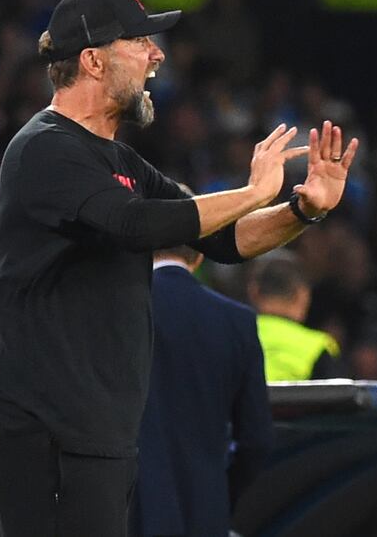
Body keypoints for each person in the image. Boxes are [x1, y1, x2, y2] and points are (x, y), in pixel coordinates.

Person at [0, 0, 358, 537]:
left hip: (103, 427)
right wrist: (253, 192)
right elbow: (134, 224)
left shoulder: (121, 160)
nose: (157, 55)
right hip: (47, 424)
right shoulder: (44, 147)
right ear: (93, 61)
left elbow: (221, 240)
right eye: (140, 41)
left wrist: (302, 209)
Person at [132, 230, 272, 537]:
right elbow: (256, 440)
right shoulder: (237, 321)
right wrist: (220, 493)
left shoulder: (113, 310)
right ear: (200, 253)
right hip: (205, 512)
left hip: (128, 512)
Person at [248, 255, 344, 381]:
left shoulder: (232, 337)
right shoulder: (319, 347)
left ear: (253, 292)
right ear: (302, 295)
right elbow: (336, 392)